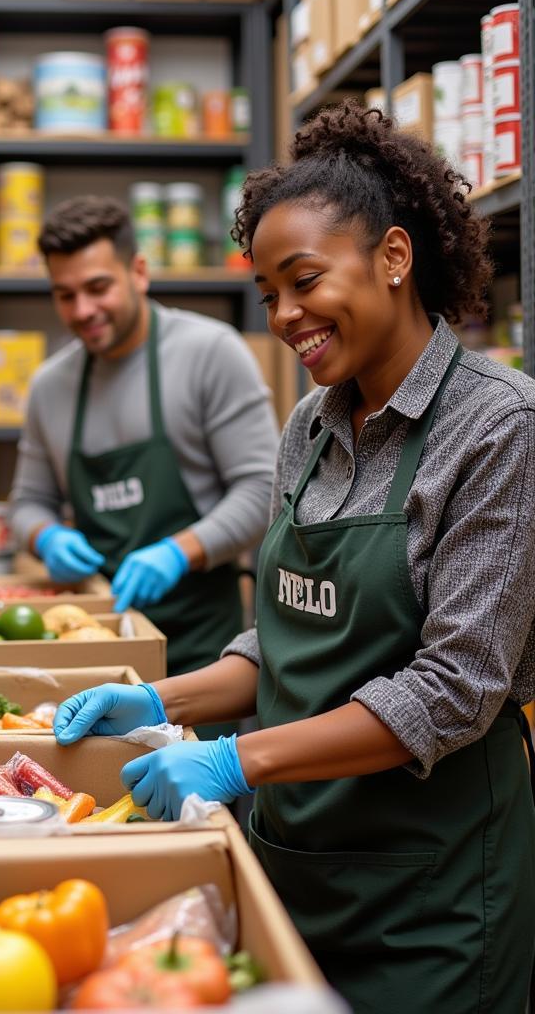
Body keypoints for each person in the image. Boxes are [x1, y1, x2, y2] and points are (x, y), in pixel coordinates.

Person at [54, 101, 535, 1013]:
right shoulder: (311, 426)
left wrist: (239, 762)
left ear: (394, 258)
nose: (283, 315)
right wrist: (163, 699)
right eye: (268, 293)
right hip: (297, 867)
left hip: (431, 901)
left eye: (304, 279)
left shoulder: (499, 426)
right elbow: (288, 634)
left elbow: (457, 687)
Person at [8, 195, 278, 733]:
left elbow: (266, 489)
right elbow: (26, 503)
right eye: (65, 295)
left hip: (205, 652)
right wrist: (45, 539)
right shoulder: (50, 387)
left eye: (97, 287)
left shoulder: (209, 353)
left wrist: (178, 553)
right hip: (100, 651)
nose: (82, 310)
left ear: (138, 272)